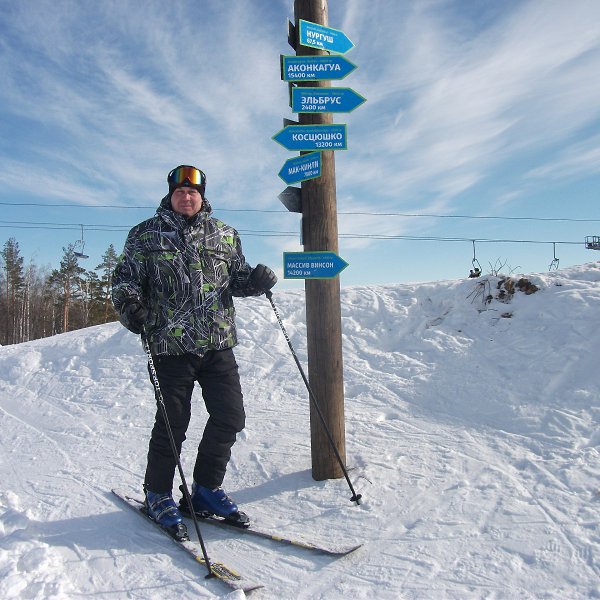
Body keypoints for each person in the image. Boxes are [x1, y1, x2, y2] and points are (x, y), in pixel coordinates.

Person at [112, 165, 277, 535]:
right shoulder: (145, 234)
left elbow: (236, 278)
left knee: (230, 417)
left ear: (202, 196)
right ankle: (157, 494)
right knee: (173, 424)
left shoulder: (225, 234)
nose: (187, 197)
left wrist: (255, 281)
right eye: (180, 192)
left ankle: (204, 489)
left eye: (193, 192)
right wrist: (131, 308)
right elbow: (124, 281)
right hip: (169, 345)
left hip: (217, 344)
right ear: (170, 195)